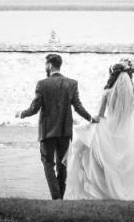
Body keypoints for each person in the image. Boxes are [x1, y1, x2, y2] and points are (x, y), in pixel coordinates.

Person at [65, 58, 134, 201]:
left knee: (101, 158)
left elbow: (100, 116)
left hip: (110, 128)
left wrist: (92, 120)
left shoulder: (107, 93)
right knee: (131, 160)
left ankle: (105, 190)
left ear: (113, 75)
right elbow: (129, 111)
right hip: (129, 130)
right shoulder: (133, 94)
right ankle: (131, 191)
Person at [15, 53, 92, 200]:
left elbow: (34, 108)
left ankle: (56, 198)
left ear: (49, 65)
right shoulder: (72, 83)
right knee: (62, 165)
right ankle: (59, 198)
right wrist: (90, 117)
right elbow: (78, 106)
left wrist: (21, 114)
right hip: (64, 132)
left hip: (47, 131)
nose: (45, 67)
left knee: (48, 163)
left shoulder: (42, 84)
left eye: (46, 64)